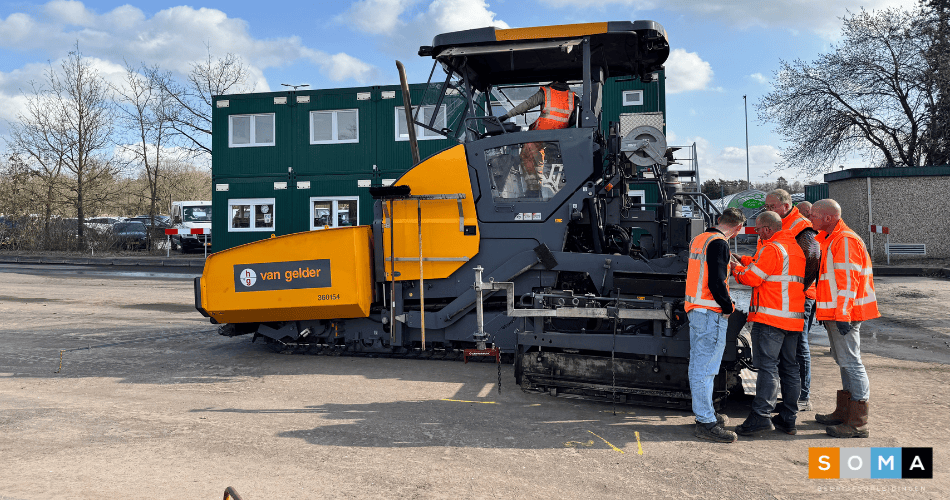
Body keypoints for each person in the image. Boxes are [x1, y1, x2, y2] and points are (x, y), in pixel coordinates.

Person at [808, 199, 879, 438]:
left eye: (814, 216)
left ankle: (857, 423)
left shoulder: (844, 240)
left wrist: (842, 315)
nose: (811, 220)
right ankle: (846, 412)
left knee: (851, 362)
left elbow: (848, 283)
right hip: (838, 313)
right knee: (844, 361)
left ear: (828, 218)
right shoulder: (832, 239)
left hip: (844, 314)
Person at [732, 211, 807, 436]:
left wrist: (734, 267)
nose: (756, 233)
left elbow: (751, 278)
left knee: (768, 368)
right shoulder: (794, 249)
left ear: (767, 229)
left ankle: (761, 416)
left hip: (769, 319)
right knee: (790, 368)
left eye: (757, 229)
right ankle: (788, 418)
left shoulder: (771, 248)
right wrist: (744, 260)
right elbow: (771, 270)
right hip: (792, 320)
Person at [685, 207, 746, 443]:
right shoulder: (719, 243)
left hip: (697, 309)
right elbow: (716, 281)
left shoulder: (700, 238)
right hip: (710, 311)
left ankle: (705, 413)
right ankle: (706, 421)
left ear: (719, 220)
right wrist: (728, 306)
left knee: (699, 366)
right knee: (706, 369)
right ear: (738, 228)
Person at [761, 190, 821, 411]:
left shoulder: (800, 225)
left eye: (772, 206)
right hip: (782, 295)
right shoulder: (778, 223)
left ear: (786, 206)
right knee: (787, 348)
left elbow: (813, 256)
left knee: (798, 345)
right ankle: (790, 396)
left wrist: (800, 286)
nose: (768, 210)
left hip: (798, 295)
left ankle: (803, 397)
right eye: (766, 206)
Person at [499, 81, 579, 130]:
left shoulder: (545, 93)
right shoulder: (573, 97)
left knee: (528, 154)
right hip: (562, 134)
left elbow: (527, 104)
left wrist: (506, 116)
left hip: (540, 133)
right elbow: (576, 118)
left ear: (554, 82)